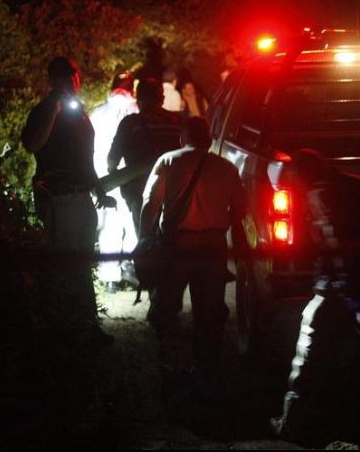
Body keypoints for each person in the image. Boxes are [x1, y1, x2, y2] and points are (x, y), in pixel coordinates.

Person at [270, 149, 360, 445]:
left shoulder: (320, 193)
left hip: (339, 285)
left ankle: (292, 423)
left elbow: (335, 239)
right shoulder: (356, 184)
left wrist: (342, 285)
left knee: (307, 353)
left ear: (301, 174)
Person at [138, 117, 246, 401]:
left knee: (167, 309)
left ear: (183, 137)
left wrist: (144, 239)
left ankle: (173, 367)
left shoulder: (169, 161)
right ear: (209, 139)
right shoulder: (226, 167)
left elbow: (150, 205)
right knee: (209, 313)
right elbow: (240, 209)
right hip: (213, 246)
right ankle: (206, 370)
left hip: (178, 245)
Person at [21, 56, 114, 346]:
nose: (77, 80)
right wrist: (53, 110)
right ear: (66, 78)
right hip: (60, 196)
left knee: (81, 262)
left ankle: (84, 324)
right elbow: (31, 144)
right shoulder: (48, 108)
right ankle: (64, 328)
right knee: (66, 263)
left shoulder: (78, 111)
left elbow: (84, 157)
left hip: (81, 195)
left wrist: (98, 187)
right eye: (75, 74)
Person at [107, 78, 182, 234]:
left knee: (145, 241)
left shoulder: (130, 123)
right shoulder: (178, 122)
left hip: (140, 193)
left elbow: (112, 160)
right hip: (176, 192)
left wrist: (116, 176)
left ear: (137, 98)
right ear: (161, 98)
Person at [90, 72, 139, 292]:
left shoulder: (97, 113)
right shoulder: (136, 112)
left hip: (104, 175)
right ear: (132, 90)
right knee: (133, 220)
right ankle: (130, 267)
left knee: (109, 224)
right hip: (132, 175)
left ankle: (110, 277)